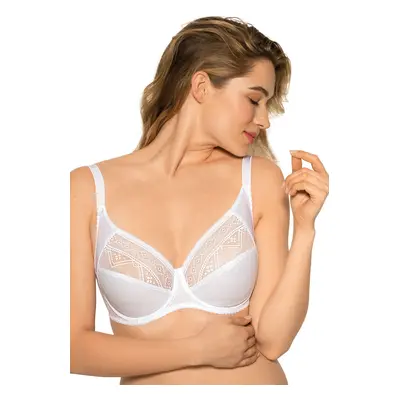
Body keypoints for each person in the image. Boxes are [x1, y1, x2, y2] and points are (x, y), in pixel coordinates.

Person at [70, 16, 329, 385]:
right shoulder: (87, 189)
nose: (264, 120)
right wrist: (197, 350)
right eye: (254, 99)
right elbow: (72, 348)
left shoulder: (258, 179)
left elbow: (273, 341)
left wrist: (305, 231)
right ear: (202, 86)